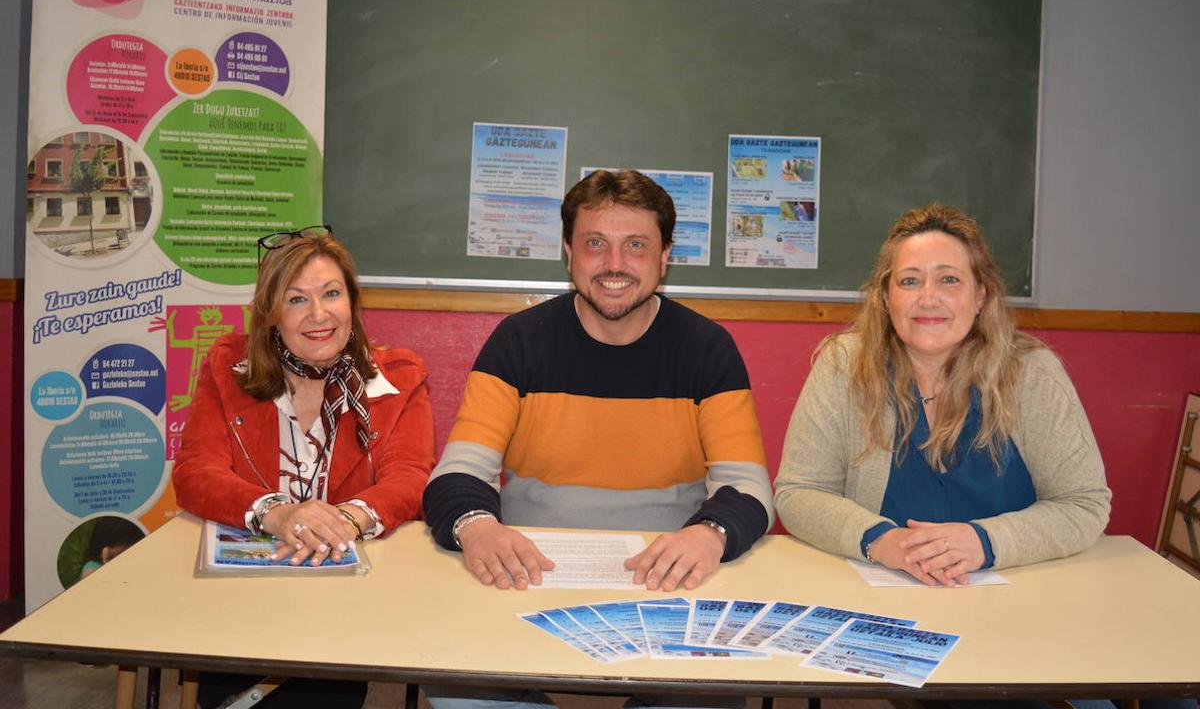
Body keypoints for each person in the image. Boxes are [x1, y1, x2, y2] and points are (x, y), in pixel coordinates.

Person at [422, 169, 772, 708]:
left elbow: (748, 486)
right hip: (528, 570)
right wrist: (476, 525)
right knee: (456, 685)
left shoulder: (708, 348)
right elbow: (459, 471)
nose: (614, 265)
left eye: (636, 245)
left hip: (670, 574)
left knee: (710, 697)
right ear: (568, 252)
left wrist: (709, 535)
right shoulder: (517, 342)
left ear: (665, 257)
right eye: (594, 244)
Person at [774, 204, 1112, 586]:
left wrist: (984, 542)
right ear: (885, 297)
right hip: (878, 598)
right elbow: (800, 492)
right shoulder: (842, 365)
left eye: (949, 280)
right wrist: (881, 541)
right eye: (910, 281)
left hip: (1017, 599)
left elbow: (1085, 504)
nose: (929, 298)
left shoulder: (1032, 373)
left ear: (980, 295)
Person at [173, 226, 435, 709]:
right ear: (271, 314)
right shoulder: (229, 369)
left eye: (331, 294)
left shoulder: (395, 379)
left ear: (351, 304)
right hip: (240, 595)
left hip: (345, 596)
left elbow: (412, 479)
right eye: (297, 300)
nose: (319, 315)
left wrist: (344, 520)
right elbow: (195, 473)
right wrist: (277, 513)